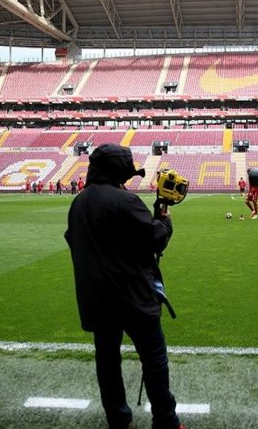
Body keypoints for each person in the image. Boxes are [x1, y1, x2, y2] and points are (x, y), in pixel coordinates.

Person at [65, 144, 184, 429]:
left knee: (107, 360)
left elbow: (73, 240)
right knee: (154, 357)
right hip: (133, 295)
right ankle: (165, 420)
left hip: (95, 297)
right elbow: (154, 239)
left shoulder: (78, 202)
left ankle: (117, 419)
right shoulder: (125, 201)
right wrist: (164, 222)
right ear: (119, 170)